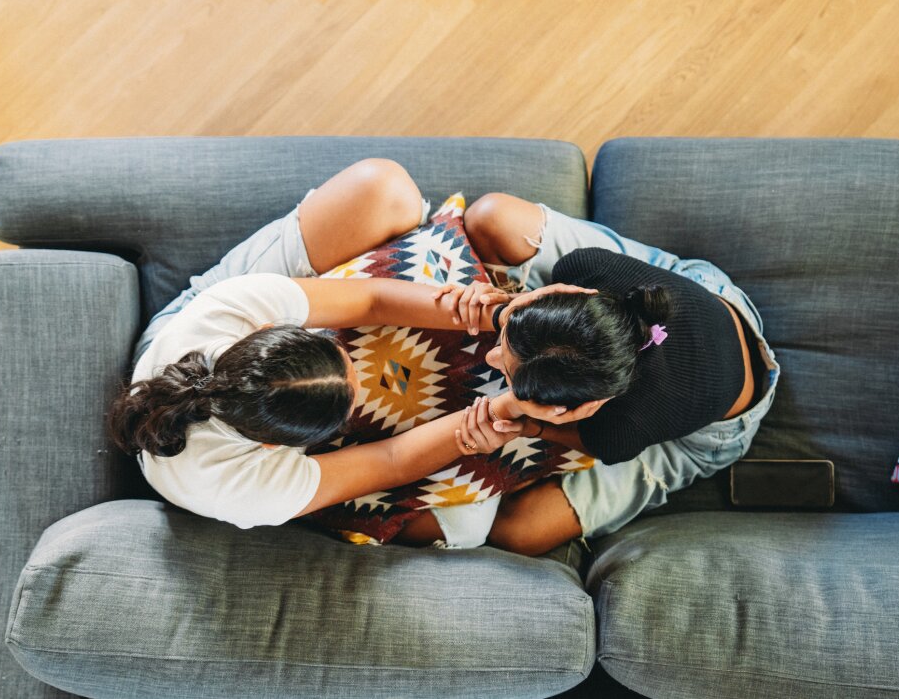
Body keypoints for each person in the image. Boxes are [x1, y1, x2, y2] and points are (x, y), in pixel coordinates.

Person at [110, 159, 519, 532]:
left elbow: (371, 299)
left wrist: (492, 315)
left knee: (383, 188)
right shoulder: (250, 489)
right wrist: (488, 417)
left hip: (171, 333)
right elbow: (390, 461)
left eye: (339, 349)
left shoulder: (225, 311)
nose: (361, 374)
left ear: (267, 328)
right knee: (469, 529)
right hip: (210, 475)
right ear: (274, 446)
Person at [398, 192, 780, 555]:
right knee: (494, 216)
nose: (491, 356)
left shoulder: (616, 432)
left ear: (580, 408)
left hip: (712, 431)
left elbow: (574, 433)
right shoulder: (588, 267)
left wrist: (535, 428)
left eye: (507, 372)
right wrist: (510, 307)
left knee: (522, 532)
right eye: (504, 342)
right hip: (693, 293)